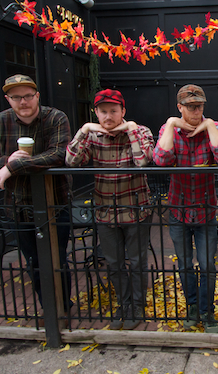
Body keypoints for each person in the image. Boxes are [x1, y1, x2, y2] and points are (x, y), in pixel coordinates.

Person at [0, 74, 72, 318]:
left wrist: (12, 168)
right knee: (34, 262)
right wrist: (5, 160)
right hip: (16, 205)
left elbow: (58, 154)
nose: (23, 101)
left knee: (57, 259)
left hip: (55, 203)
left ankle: (65, 309)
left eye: (28, 95)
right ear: (8, 99)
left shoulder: (55, 117)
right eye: (16, 97)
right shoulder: (0, 122)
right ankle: (50, 309)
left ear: (37, 96)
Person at [66, 89, 154, 330]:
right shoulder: (92, 136)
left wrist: (131, 130)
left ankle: (137, 305)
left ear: (123, 111)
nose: (108, 116)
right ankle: (123, 304)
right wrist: (84, 130)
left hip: (136, 208)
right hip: (105, 210)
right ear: (96, 113)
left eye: (113, 111)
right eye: (102, 111)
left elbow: (143, 161)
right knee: (114, 263)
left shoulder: (141, 131)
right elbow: (72, 161)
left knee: (136, 262)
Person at [154, 84, 218, 333]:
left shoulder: (215, 128)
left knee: (208, 264)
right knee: (185, 263)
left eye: (199, 106)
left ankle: (206, 311)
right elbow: (161, 160)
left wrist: (209, 126)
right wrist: (170, 124)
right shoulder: (170, 130)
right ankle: (192, 307)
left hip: (206, 210)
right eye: (190, 107)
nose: (195, 110)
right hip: (178, 210)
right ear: (180, 108)